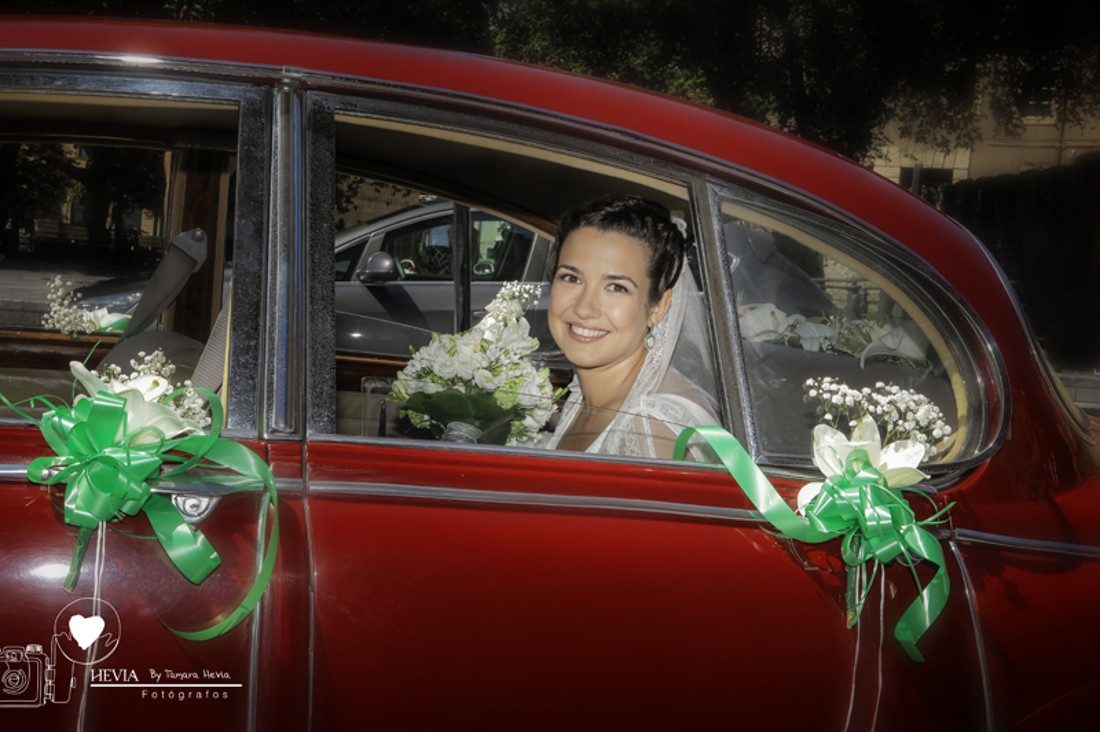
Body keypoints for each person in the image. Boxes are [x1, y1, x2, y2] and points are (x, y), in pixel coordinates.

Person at [540, 195, 720, 460]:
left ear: (658, 306)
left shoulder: (649, 427)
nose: (584, 308)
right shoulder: (585, 395)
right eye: (571, 278)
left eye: (616, 287)